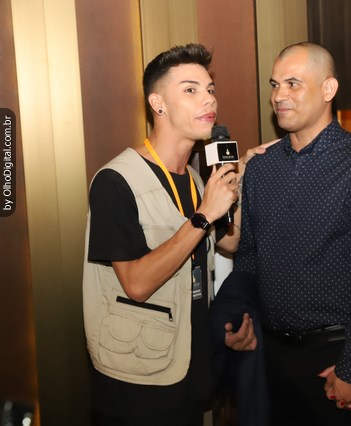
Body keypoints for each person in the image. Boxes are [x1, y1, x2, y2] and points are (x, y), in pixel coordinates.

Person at [82, 43, 260, 426]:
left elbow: (230, 242)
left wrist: (237, 181)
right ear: (158, 103)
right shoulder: (115, 181)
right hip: (136, 382)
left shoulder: (196, 179)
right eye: (190, 90)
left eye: (210, 89)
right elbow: (137, 284)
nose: (208, 99)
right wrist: (202, 216)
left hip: (191, 366)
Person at [233, 42, 351, 425]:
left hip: (335, 356)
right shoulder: (261, 168)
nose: (278, 96)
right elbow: (248, 255)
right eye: (275, 85)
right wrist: (242, 317)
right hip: (270, 354)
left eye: (293, 83)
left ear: (328, 89)